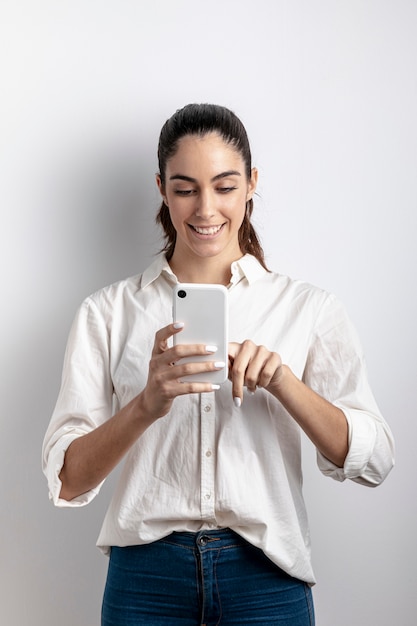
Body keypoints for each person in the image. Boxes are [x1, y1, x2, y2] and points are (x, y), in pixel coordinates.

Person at [42, 103, 395, 625]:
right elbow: (67, 479)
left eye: (225, 187)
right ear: (161, 188)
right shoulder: (108, 312)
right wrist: (146, 404)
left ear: (252, 183)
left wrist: (282, 382)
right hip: (146, 579)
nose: (206, 209)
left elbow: (376, 460)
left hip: (267, 574)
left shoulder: (308, 309)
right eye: (185, 189)